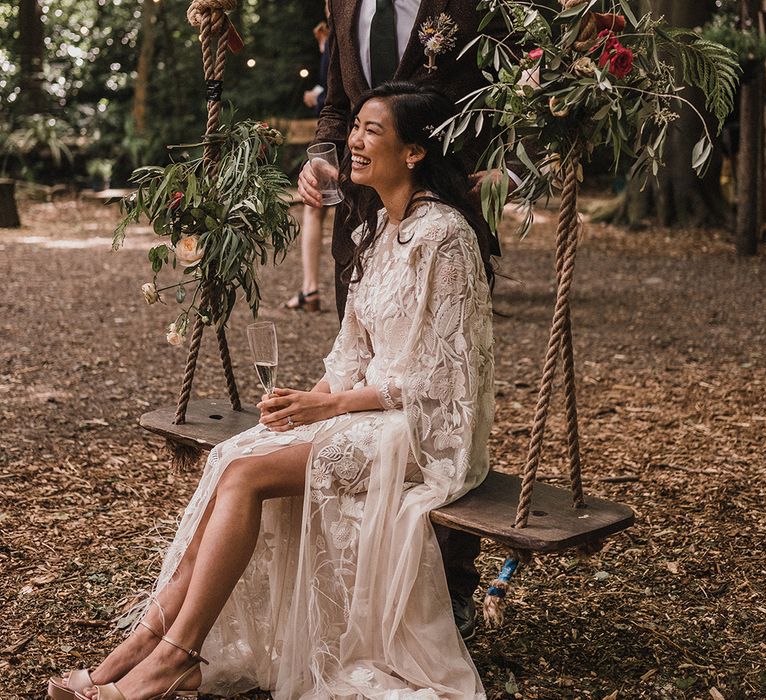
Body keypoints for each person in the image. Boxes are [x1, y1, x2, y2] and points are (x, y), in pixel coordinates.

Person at [47, 82, 495, 700]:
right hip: (365, 408)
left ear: (415, 153)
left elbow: (442, 379)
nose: (353, 141)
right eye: (355, 127)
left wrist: (330, 406)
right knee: (236, 452)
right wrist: (301, 406)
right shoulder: (370, 233)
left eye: (371, 130)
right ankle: (143, 644)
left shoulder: (445, 236)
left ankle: (174, 654)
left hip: (423, 429)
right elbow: (351, 354)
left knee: (246, 476)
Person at [298, 0, 506, 639]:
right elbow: (338, 107)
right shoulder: (342, 4)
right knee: (361, 365)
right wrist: (319, 154)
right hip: (361, 220)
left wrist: (511, 171)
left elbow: (509, 93)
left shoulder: (471, 6)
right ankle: (359, 588)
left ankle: (450, 592)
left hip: (447, 205)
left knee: (439, 384)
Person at [284, 9, 332, 312]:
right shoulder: (333, 36)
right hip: (348, 133)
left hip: (339, 136)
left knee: (314, 210)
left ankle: (311, 287)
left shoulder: (342, 33)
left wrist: (316, 98)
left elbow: (334, 95)